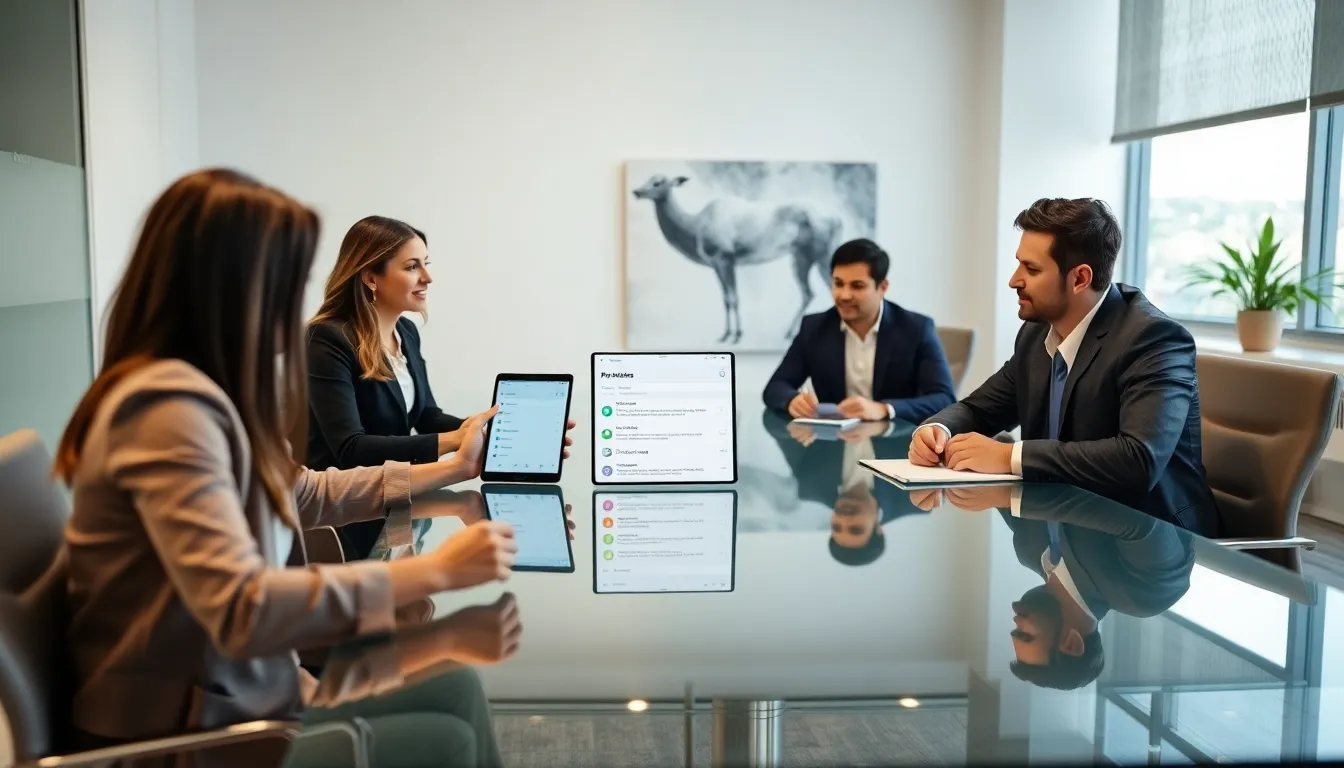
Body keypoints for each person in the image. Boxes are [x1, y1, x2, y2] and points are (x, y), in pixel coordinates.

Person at [54, 169, 516, 767]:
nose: (296, 302)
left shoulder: (210, 393)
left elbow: (309, 491)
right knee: (443, 737)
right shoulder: (164, 414)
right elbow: (241, 608)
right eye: (285, 280)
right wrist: (431, 575)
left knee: (454, 684)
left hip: (254, 688)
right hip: (193, 725)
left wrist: (455, 468)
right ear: (230, 287)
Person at [908, 198, 1220, 535]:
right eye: (1018, 265)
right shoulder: (1036, 334)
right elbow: (980, 409)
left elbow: (1138, 460)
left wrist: (1008, 457)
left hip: (1150, 546)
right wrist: (938, 431)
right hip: (1064, 532)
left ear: (1080, 278)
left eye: (1032, 269)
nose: (1014, 280)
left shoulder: (1154, 339)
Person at [306, 215, 572, 558]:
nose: (427, 278)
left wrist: (493, 431)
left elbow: (427, 415)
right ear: (372, 277)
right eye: (412, 266)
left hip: (399, 506)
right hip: (345, 520)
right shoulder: (326, 339)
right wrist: (456, 440)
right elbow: (350, 449)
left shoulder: (406, 333)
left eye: (426, 264)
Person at [922, 484, 1194, 690]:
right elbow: (1138, 519)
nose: (1016, 619)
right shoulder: (1143, 595)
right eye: (1026, 634)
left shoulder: (1029, 551)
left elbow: (1005, 483)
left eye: (1015, 630)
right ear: (1071, 643)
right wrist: (1016, 498)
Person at [762, 238, 957, 423]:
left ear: (882, 287)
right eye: (838, 284)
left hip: (896, 447)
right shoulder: (814, 328)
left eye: (857, 286)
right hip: (833, 447)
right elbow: (775, 388)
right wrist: (791, 400)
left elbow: (944, 399)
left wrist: (883, 409)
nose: (844, 295)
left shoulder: (916, 328)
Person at [760, 411, 927, 566]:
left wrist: (793, 425)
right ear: (878, 528)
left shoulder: (810, 484)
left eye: (836, 527)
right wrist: (883, 426)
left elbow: (772, 423)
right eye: (856, 529)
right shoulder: (918, 496)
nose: (844, 519)